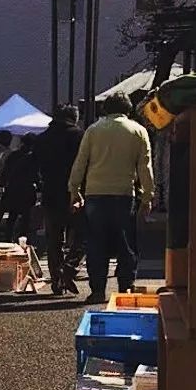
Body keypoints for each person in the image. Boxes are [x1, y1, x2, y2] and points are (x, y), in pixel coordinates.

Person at [68, 92, 155, 304]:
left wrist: (74, 190)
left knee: (97, 244)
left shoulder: (93, 130)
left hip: (95, 194)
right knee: (126, 243)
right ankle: (125, 286)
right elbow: (145, 167)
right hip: (124, 194)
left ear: (105, 109)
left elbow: (81, 162)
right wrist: (147, 197)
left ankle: (98, 290)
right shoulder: (138, 131)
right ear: (128, 109)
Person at [34, 104, 86, 295]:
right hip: (75, 192)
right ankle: (70, 269)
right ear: (74, 117)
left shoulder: (42, 139)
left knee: (54, 239)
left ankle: (57, 279)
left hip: (50, 192)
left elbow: (37, 167)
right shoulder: (79, 136)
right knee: (83, 235)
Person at [0, 132, 40, 240]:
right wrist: (39, 187)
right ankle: (23, 239)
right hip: (27, 190)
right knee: (25, 217)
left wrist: (1, 186)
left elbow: (5, 172)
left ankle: (8, 238)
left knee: (12, 216)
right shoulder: (33, 158)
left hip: (13, 188)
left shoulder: (13, 155)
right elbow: (36, 175)